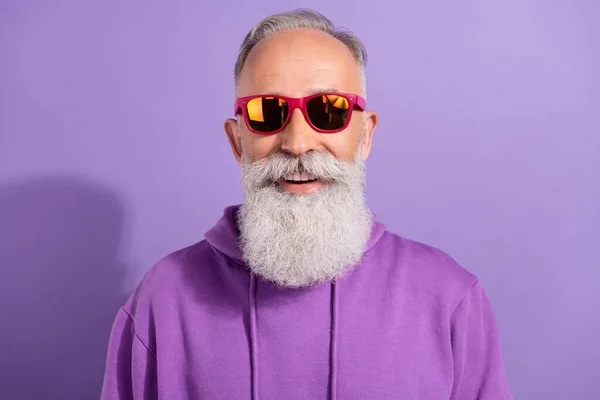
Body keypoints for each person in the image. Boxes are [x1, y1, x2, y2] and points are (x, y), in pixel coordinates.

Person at [100, 9, 512, 400]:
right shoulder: (163, 298)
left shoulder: (450, 296)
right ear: (237, 141)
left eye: (328, 111)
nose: (297, 143)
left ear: (365, 135)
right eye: (267, 112)